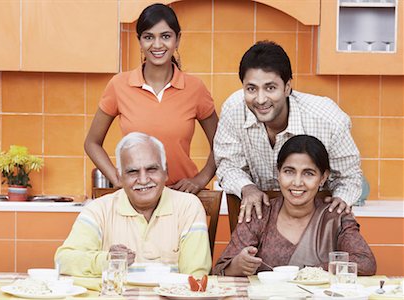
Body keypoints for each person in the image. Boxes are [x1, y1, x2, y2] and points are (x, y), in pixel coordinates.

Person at [214, 40, 363, 222]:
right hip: (257, 219)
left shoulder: (329, 119)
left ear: (287, 87)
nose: (260, 99)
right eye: (251, 89)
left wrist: (339, 202)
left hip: (316, 220)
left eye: (270, 88)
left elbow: (350, 177)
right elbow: (227, 164)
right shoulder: (233, 109)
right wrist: (246, 187)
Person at [85, 3, 218, 194]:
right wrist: (116, 178)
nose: (157, 45)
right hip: (136, 198)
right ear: (139, 40)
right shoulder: (119, 85)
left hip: (181, 200)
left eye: (165, 36)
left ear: (177, 39)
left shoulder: (195, 88)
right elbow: (91, 142)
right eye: (149, 37)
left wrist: (201, 179)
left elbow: (222, 144)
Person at [213, 135, 376, 276]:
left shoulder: (335, 216)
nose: (297, 182)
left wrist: (310, 273)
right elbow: (220, 269)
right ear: (278, 173)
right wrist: (237, 265)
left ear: (323, 178)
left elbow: (366, 263)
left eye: (308, 173)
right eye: (289, 171)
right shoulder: (260, 213)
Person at [56, 132, 212, 277]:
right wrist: (108, 260)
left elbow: (196, 276)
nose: (143, 180)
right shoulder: (99, 209)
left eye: (151, 169)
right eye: (132, 172)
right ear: (119, 176)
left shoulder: (189, 207)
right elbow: (63, 261)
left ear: (166, 172)